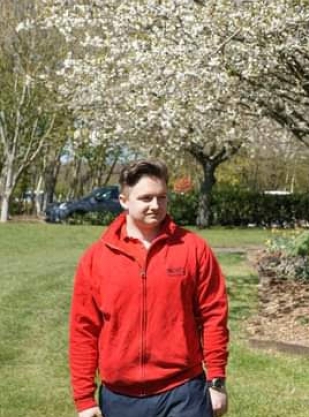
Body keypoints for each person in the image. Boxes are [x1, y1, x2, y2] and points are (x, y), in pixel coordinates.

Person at [69, 159, 229, 417]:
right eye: (146, 198)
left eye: (162, 197)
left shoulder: (194, 249)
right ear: (124, 200)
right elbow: (83, 330)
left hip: (184, 391)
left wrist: (217, 380)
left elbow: (214, 317)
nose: (156, 206)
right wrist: (84, 399)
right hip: (120, 398)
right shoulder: (96, 258)